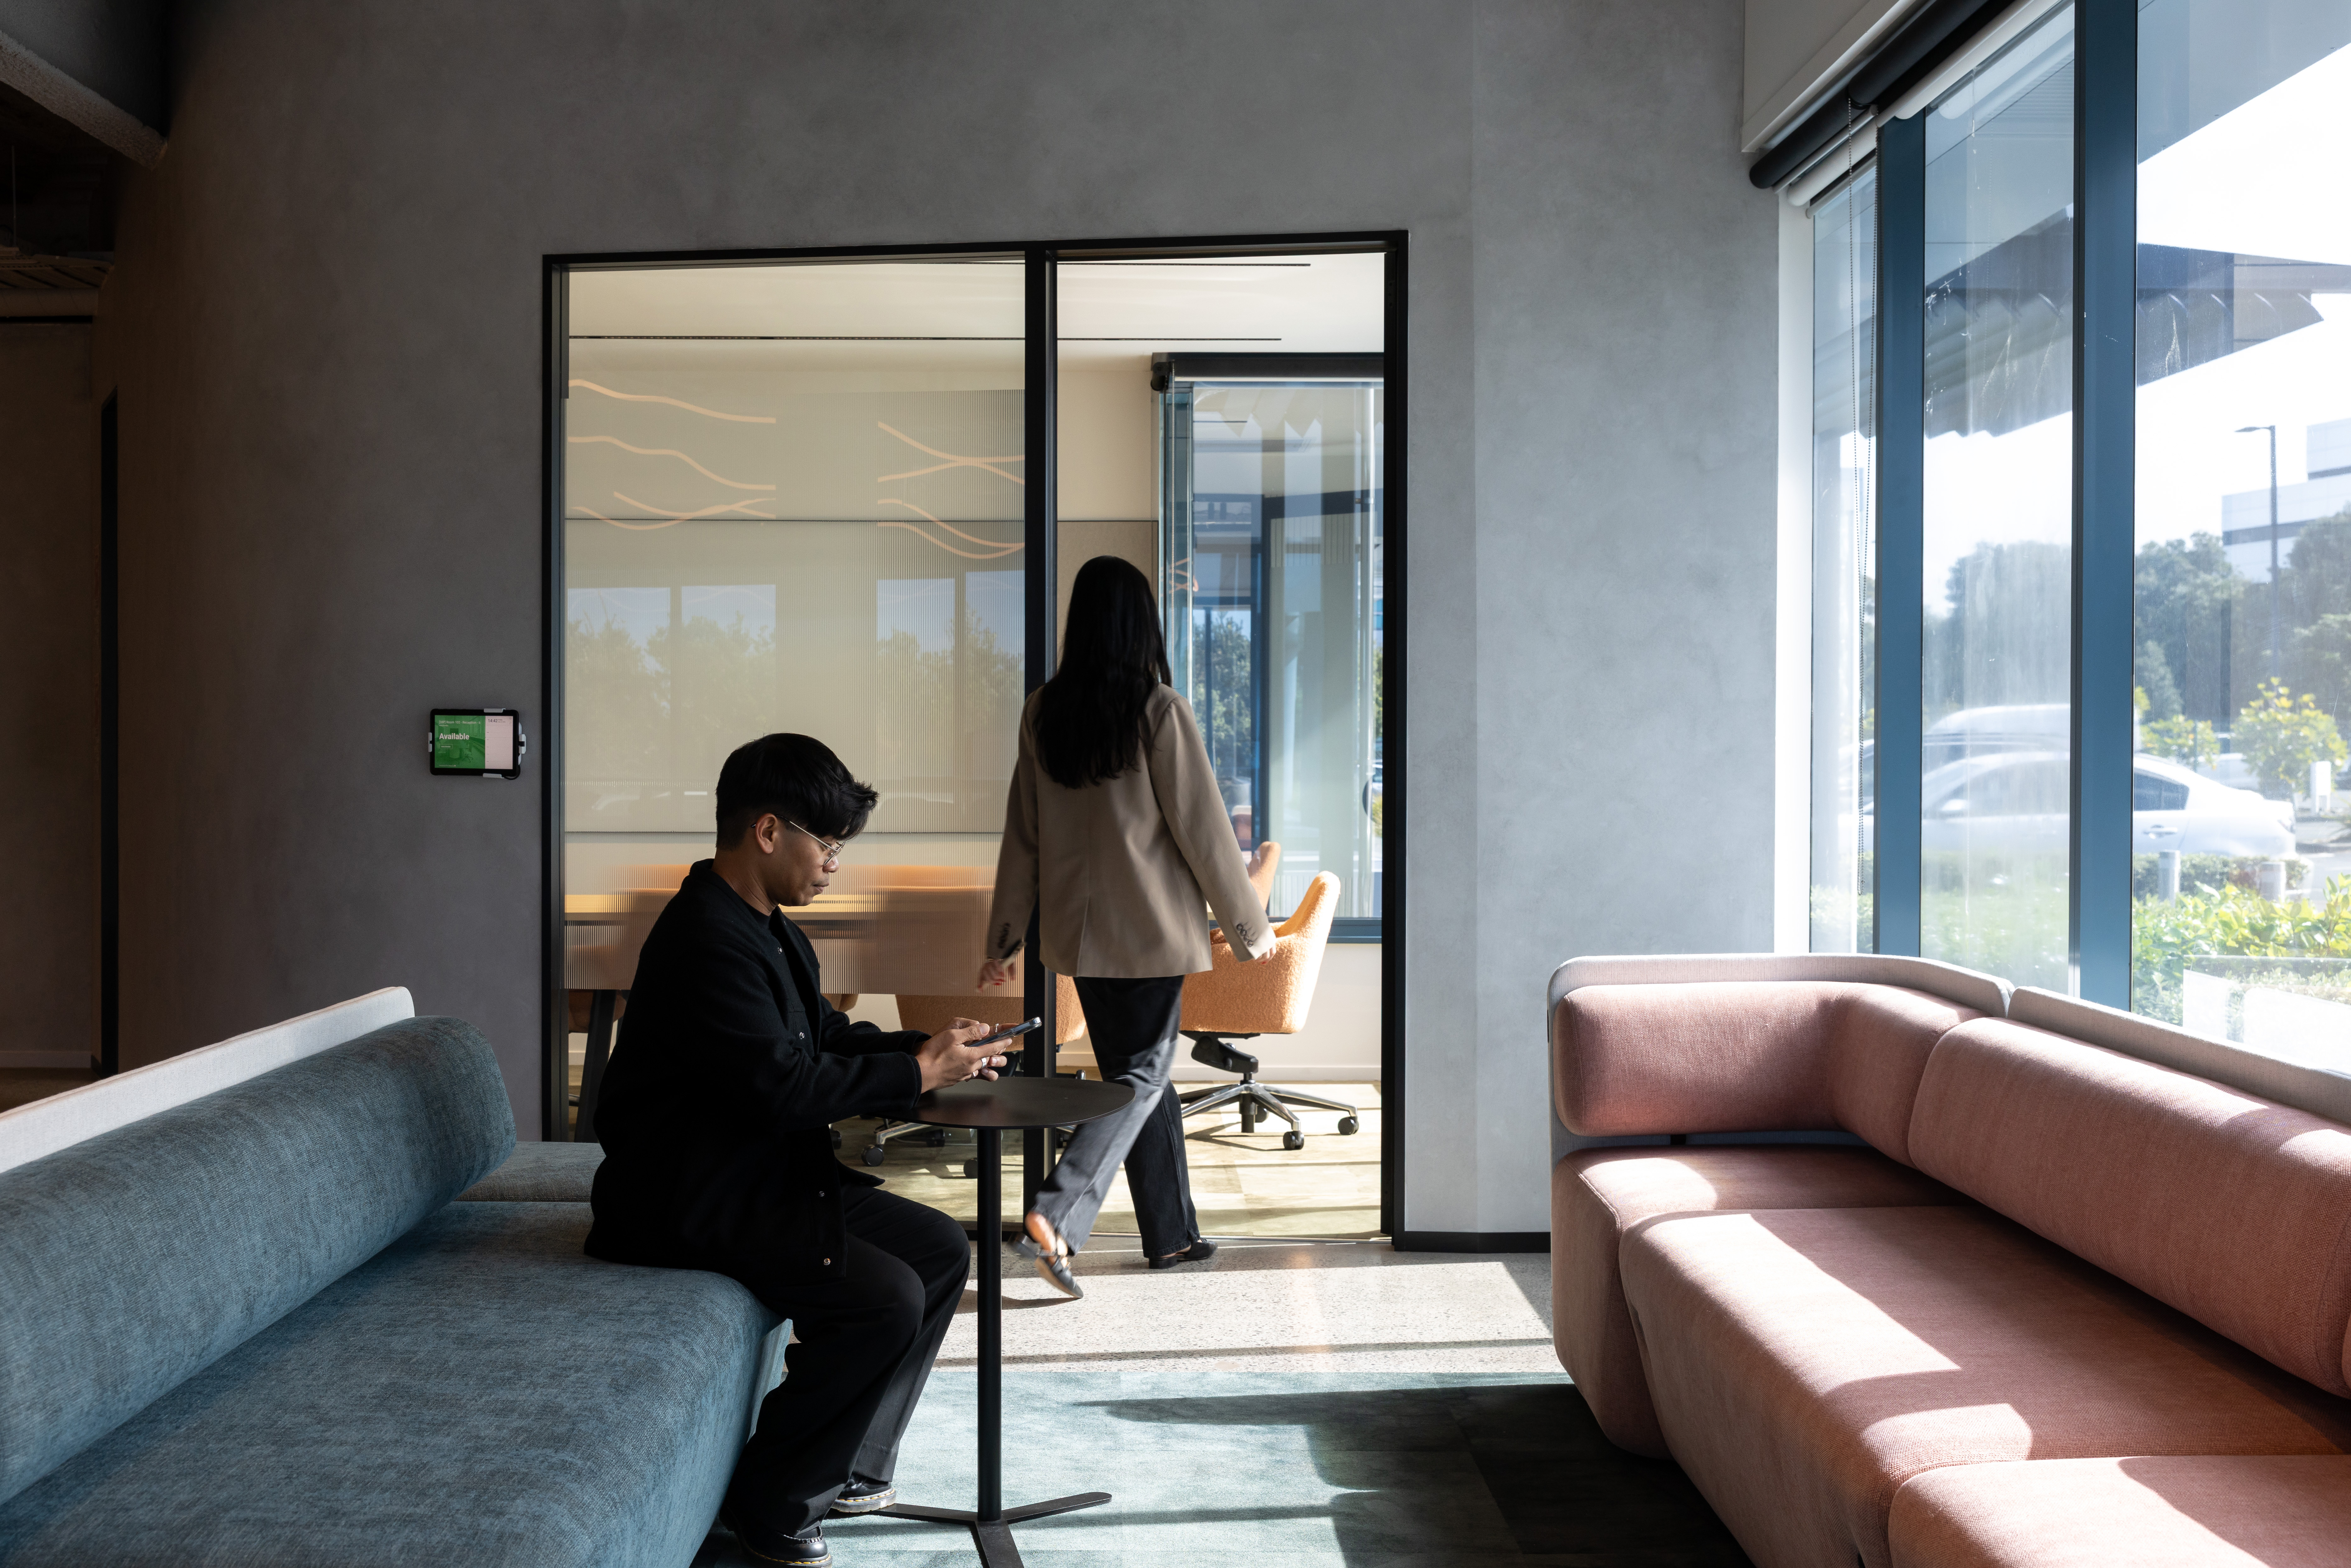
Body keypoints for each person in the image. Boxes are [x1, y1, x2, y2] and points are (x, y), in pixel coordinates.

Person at [586, 733, 1014, 1568]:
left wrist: (924, 1046)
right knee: (883, 1297)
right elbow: (782, 1087)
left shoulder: (767, 928)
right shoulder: (703, 938)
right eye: (826, 843)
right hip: (685, 1197)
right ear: (770, 830)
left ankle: (849, 1465)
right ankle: (770, 1505)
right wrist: (914, 1070)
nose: (833, 864)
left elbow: (822, 1036)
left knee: (933, 1248)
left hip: (753, 1173)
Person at [979, 555, 1275, 1297]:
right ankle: (1056, 1212)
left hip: (1081, 939)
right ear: (1140, 623)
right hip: (1149, 934)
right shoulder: (1157, 709)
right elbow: (1205, 831)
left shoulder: (1044, 710)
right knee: (1142, 1077)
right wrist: (1251, 929)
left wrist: (1005, 936)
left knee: (1139, 1080)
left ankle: (1170, 1236)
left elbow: (1024, 832)